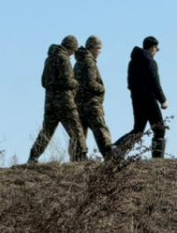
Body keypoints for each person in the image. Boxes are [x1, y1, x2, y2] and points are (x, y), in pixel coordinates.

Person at [28, 35, 86, 163]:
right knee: (76, 130)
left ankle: (33, 157)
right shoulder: (64, 59)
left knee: (47, 131)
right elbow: (67, 81)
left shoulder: (49, 59)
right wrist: (76, 83)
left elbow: (44, 82)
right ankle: (81, 158)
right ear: (71, 48)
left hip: (50, 102)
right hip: (65, 102)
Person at [114, 36, 169, 158]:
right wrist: (163, 100)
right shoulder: (150, 62)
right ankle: (157, 160)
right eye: (157, 49)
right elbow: (155, 83)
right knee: (159, 130)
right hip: (149, 99)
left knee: (138, 130)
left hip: (136, 99)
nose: (156, 52)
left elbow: (129, 83)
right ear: (153, 48)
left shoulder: (132, 62)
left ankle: (116, 149)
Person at [74, 36, 114, 161]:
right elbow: (90, 83)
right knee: (102, 132)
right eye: (98, 48)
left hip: (79, 104)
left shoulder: (78, 62)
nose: (99, 52)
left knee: (79, 136)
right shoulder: (89, 61)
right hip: (91, 104)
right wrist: (101, 88)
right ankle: (111, 159)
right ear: (92, 48)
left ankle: (77, 160)